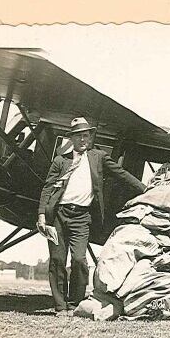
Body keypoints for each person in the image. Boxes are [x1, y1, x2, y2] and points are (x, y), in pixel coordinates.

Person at [38, 117, 146, 317]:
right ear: (72, 138)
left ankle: (75, 303)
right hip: (58, 215)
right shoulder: (61, 161)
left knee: (79, 260)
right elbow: (48, 188)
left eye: (86, 135)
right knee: (57, 260)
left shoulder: (98, 157)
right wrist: (42, 215)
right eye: (78, 136)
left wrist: (145, 189)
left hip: (82, 216)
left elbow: (121, 173)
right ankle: (61, 306)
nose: (83, 140)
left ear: (90, 137)